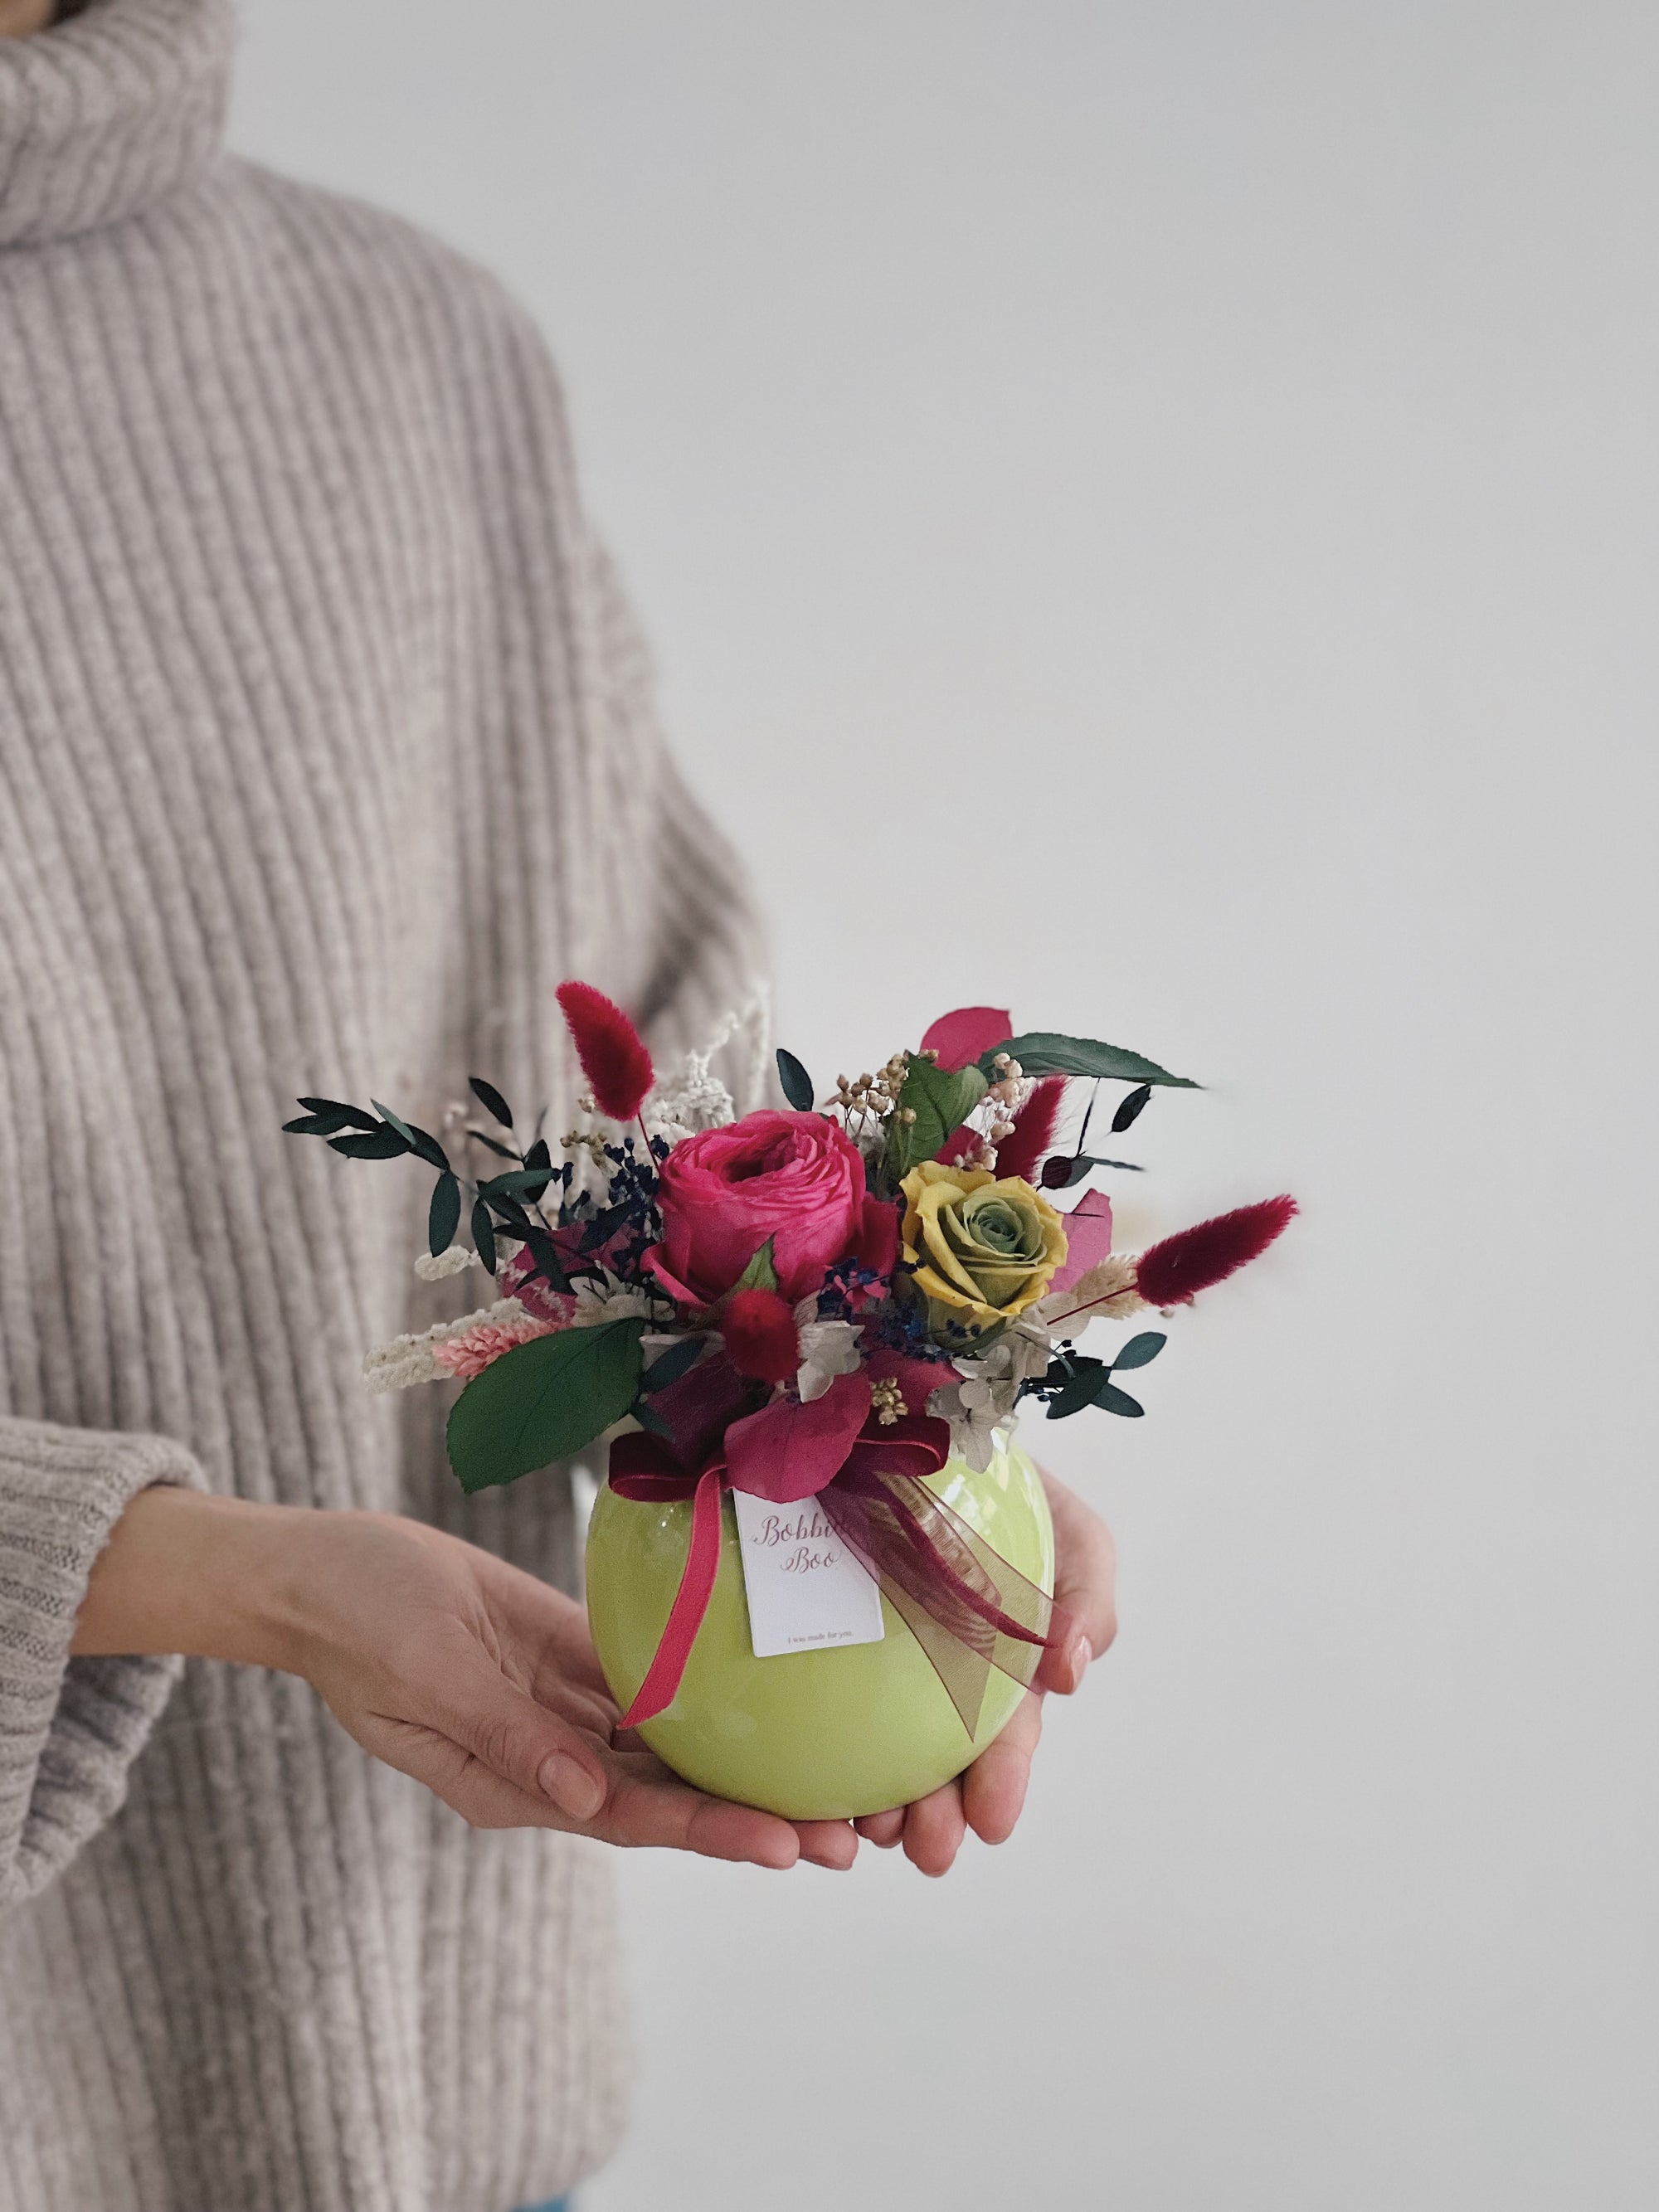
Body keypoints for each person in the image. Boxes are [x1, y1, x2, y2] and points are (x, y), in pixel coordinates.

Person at [0, 2, 1118, 2207]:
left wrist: (888, 1425)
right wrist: (237, 1581)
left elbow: (658, 1130)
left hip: (455, 2087)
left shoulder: (415, 357)